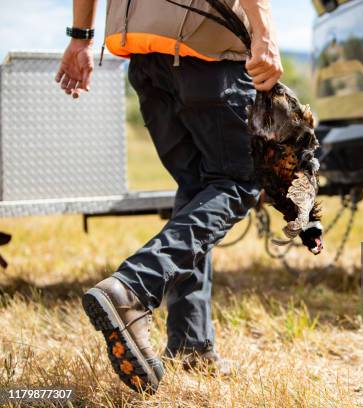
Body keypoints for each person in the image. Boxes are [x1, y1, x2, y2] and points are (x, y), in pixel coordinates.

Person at [55, 0, 283, 393]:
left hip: (145, 59)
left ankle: (190, 344)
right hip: (207, 52)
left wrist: (80, 38)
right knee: (238, 182)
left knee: (198, 190)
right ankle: (132, 287)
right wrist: (264, 32)